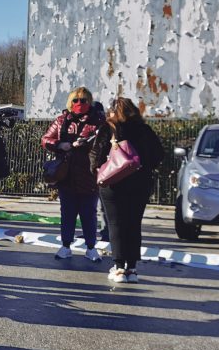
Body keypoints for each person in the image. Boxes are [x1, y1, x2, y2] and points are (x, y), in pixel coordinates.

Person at [90, 97, 164, 283]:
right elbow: (158, 155)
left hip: (113, 183)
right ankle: (132, 268)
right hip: (140, 183)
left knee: (116, 224)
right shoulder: (144, 130)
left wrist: (97, 170)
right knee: (133, 224)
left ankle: (119, 267)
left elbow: (96, 155)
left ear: (113, 111)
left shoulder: (109, 128)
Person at [41, 87, 105, 261]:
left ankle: (91, 247)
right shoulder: (62, 120)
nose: (79, 103)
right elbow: (45, 139)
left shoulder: (98, 121)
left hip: (89, 175)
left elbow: (105, 142)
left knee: (88, 214)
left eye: (83, 100)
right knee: (67, 213)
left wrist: (88, 144)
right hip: (66, 175)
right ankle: (65, 246)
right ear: (70, 102)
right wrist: (60, 145)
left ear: (90, 102)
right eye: (76, 100)